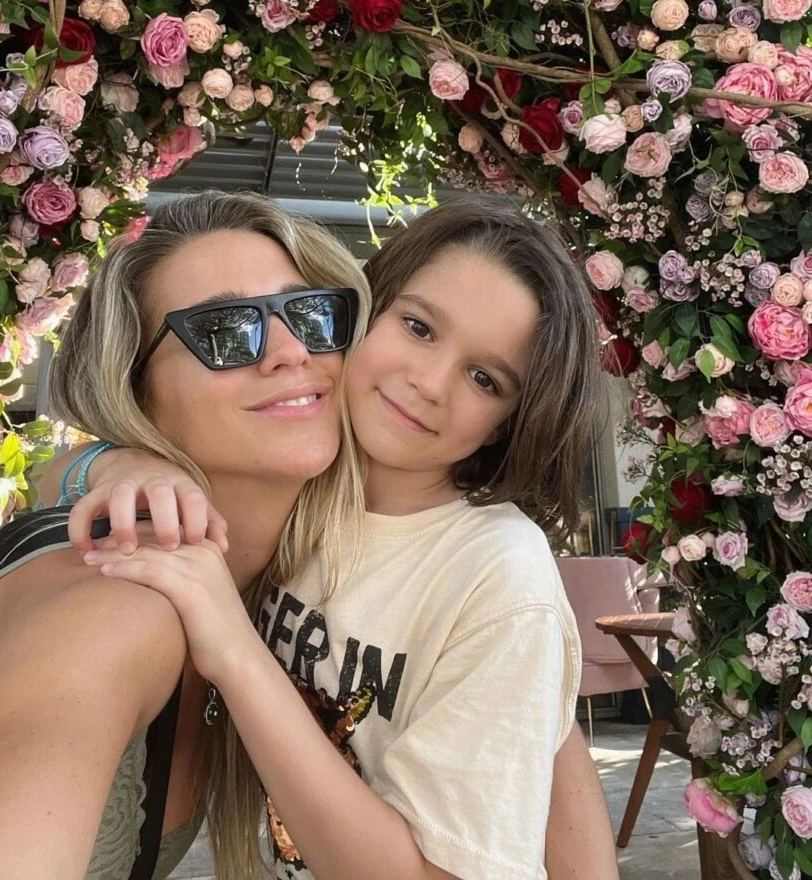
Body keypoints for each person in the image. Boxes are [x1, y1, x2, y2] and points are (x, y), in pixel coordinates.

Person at [42, 194, 619, 880]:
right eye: (418, 327)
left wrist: (235, 650)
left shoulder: (497, 572)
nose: (429, 383)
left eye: (485, 379)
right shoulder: (306, 486)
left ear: (506, 424)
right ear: (362, 315)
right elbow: (55, 481)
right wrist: (122, 464)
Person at [0, 192, 371, 880]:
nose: (292, 353)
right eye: (224, 331)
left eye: (311, 314)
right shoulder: (118, 607)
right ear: (134, 389)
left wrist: (103, 462)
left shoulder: (279, 597)